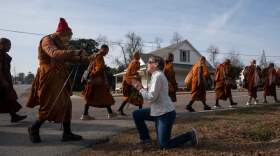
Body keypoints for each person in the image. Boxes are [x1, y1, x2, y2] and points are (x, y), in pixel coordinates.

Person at [27, 18, 89, 143]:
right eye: (69, 37)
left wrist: (83, 58)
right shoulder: (47, 40)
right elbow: (54, 54)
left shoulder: (60, 43)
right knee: (50, 104)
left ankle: (67, 133)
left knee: (67, 104)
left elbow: (65, 57)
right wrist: (75, 52)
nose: (69, 40)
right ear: (63, 33)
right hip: (49, 76)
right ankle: (34, 128)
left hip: (61, 76)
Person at [132, 55, 198, 149]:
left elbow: (151, 97)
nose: (147, 64)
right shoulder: (155, 75)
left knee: (164, 145)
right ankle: (146, 139)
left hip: (165, 114)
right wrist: (142, 88)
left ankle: (190, 135)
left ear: (156, 64)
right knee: (137, 114)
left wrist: (140, 89)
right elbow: (153, 93)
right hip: (157, 112)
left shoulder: (158, 76)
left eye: (149, 62)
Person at [80, 44, 117, 120]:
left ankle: (110, 113)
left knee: (98, 96)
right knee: (103, 96)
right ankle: (85, 114)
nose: (107, 53)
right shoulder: (99, 56)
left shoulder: (95, 55)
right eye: (106, 51)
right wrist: (93, 74)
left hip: (93, 80)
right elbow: (99, 68)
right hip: (97, 80)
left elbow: (89, 61)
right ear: (103, 49)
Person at [0, 38, 27, 122]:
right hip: (1, 81)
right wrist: (3, 81)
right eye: (8, 45)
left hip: (5, 81)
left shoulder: (4, 55)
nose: (10, 47)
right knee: (6, 98)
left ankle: (14, 116)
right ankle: (14, 116)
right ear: (2, 44)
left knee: (8, 99)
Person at [118, 51, 143, 116]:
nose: (139, 56)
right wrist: (136, 77)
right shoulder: (134, 62)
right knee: (138, 97)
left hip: (131, 80)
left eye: (139, 55)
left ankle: (120, 109)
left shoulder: (135, 62)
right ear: (135, 56)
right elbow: (132, 73)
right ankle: (140, 113)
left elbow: (134, 72)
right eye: (138, 55)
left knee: (133, 97)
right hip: (130, 81)